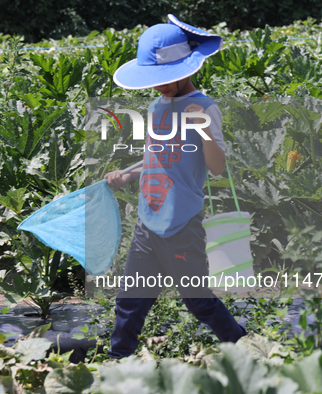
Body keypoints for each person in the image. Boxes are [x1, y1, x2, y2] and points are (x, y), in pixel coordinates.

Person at [104, 14, 247, 359]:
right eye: (155, 80)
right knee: (130, 300)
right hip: (147, 220)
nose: (160, 86)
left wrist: (203, 129)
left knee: (199, 302)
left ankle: (246, 350)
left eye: (167, 78)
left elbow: (216, 168)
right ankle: (115, 365)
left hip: (181, 224)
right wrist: (128, 174)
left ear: (188, 68)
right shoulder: (156, 107)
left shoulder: (206, 108)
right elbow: (156, 158)